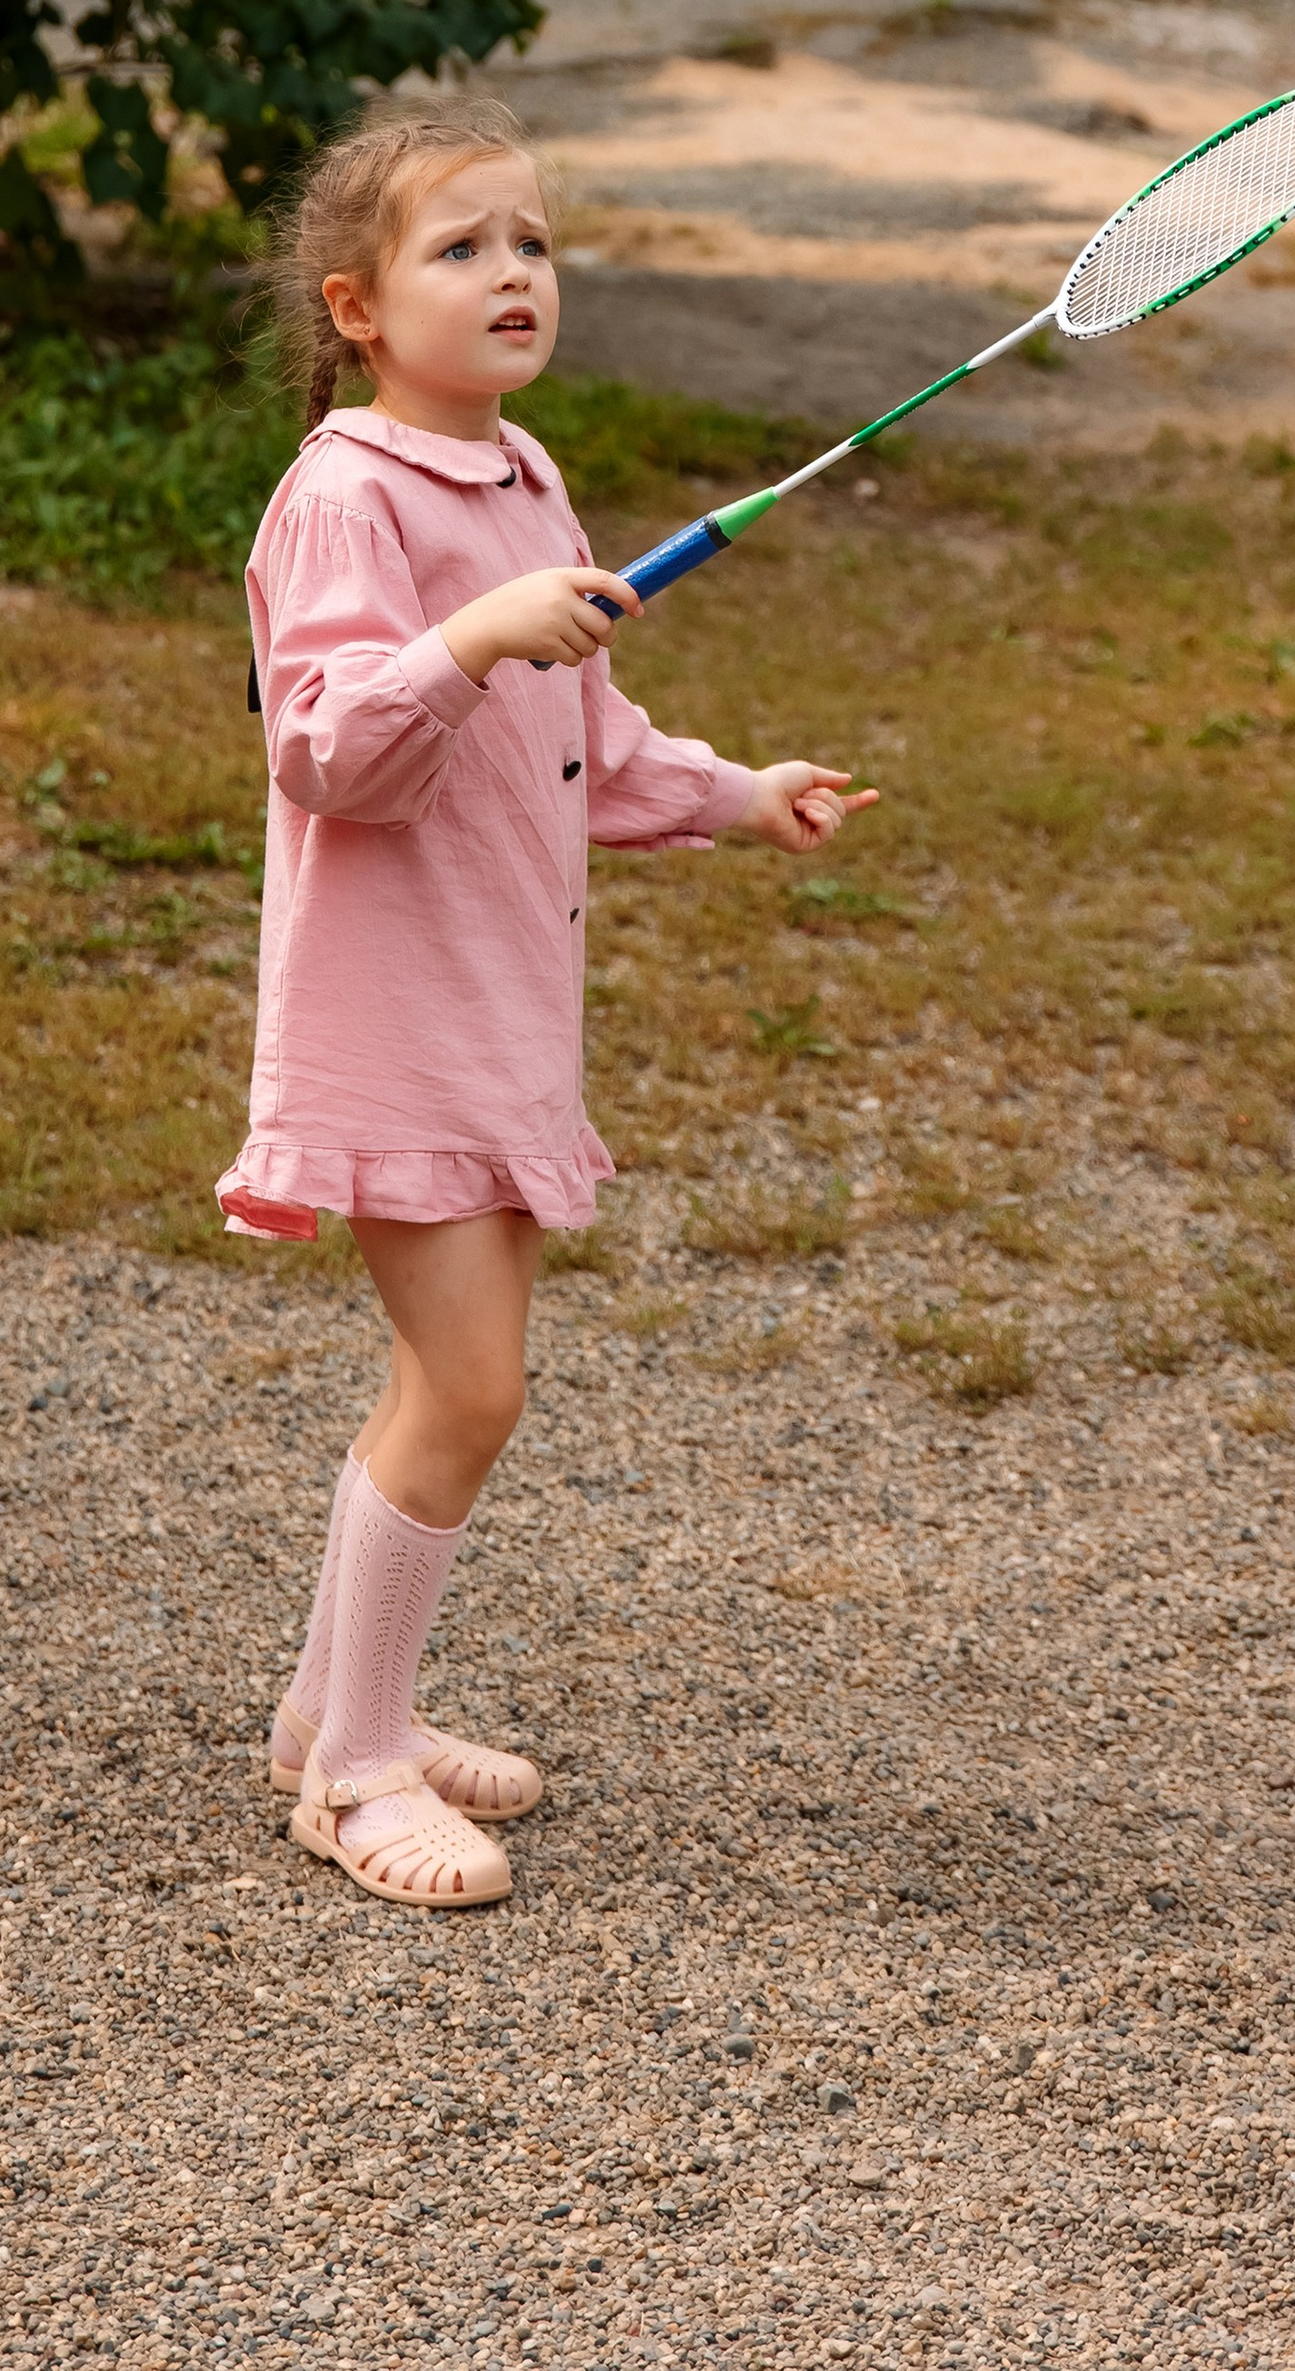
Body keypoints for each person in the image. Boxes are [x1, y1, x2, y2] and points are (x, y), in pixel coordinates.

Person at [221, 99, 875, 1909]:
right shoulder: (343, 495)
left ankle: (337, 1711)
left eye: (534, 243)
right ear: (356, 308)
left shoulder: (523, 481)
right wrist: (473, 636)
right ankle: (352, 1778)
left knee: (458, 1385)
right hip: (394, 1013)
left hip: (504, 1006)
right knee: (472, 1387)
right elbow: (328, 746)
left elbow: (581, 743)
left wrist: (742, 794)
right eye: (462, 248)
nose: (514, 273)